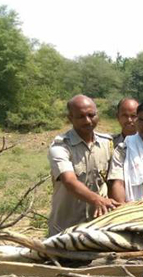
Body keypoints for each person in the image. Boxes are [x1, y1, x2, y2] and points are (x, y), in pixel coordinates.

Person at [47, 95, 118, 235]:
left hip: (99, 225)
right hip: (66, 228)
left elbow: (111, 181)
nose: (87, 121)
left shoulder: (107, 143)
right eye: (80, 116)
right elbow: (69, 181)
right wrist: (97, 200)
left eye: (91, 115)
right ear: (70, 118)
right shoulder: (60, 146)